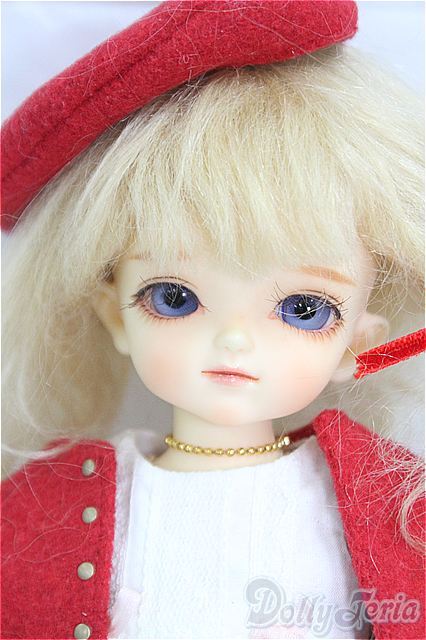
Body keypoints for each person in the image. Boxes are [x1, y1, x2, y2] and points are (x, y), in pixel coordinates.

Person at [1, 2, 424, 639]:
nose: (233, 340)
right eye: (174, 297)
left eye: (303, 310)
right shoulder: (45, 516)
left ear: (355, 346)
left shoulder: (394, 505)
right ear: (114, 315)